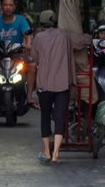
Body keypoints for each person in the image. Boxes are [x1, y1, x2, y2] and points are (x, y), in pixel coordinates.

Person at [30, 10, 91, 163]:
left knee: (45, 116)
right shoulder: (65, 35)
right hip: (63, 83)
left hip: (44, 83)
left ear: (42, 24)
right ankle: (56, 154)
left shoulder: (38, 37)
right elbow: (83, 41)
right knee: (60, 117)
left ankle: (46, 152)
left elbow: (35, 57)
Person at [0, 0, 36, 108]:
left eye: (10, 5)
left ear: (14, 7)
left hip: (17, 54)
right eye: (5, 5)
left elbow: (27, 35)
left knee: (32, 66)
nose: (8, 7)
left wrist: (29, 44)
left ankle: (29, 97)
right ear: (2, 6)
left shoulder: (21, 20)